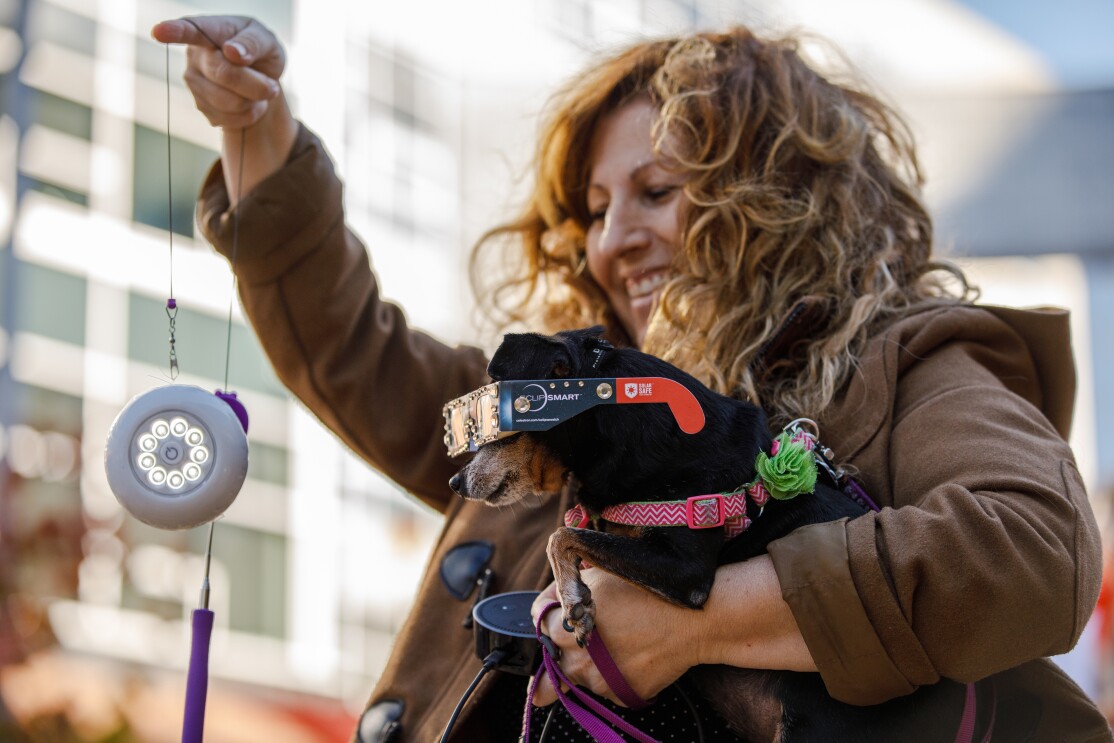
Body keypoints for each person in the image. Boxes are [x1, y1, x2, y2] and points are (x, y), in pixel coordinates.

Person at [152, 15, 1111, 742]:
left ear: (780, 202)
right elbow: (366, 359)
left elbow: (1032, 549)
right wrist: (261, 139)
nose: (613, 240)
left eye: (656, 191)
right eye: (598, 208)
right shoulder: (564, 412)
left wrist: (693, 622)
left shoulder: (906, 361)